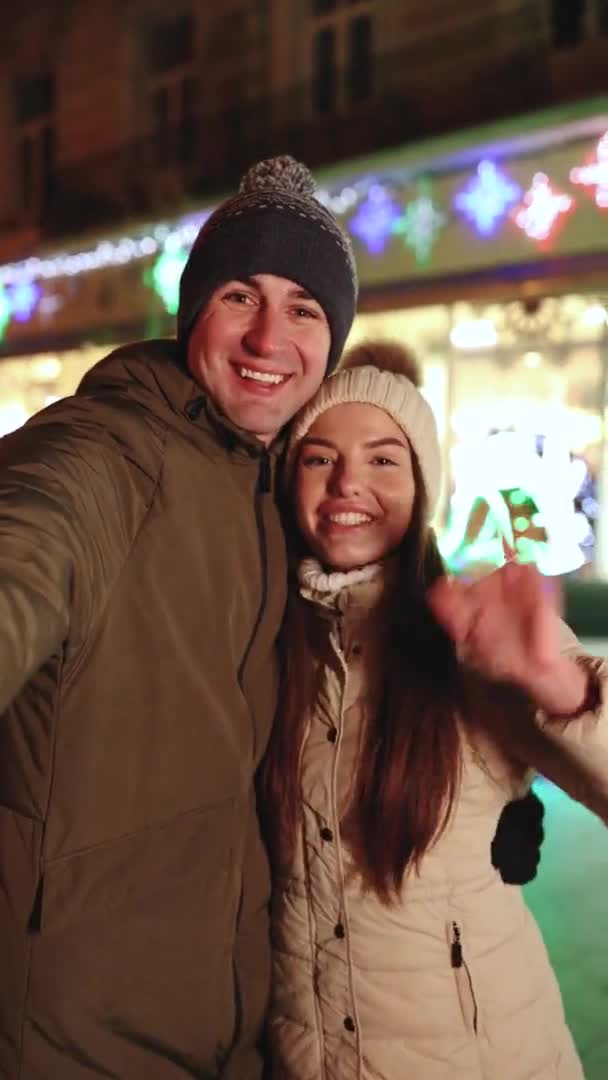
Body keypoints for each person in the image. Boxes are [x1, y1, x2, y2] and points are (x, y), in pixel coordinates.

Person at [0, 155, 359, 1079]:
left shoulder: (279, 494)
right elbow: (26, 550)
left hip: (230, 1037)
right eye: (240, 294)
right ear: (193, 309)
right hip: (67, 1041)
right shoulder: (101, 454)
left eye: (305, 308)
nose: (270, 334)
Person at [261, 339, 607, 1079]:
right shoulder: (263, 643)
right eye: (319, 458)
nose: (349, 481)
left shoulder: (471, 631)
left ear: (423, 484)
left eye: (384, 458)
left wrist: (561, 691)